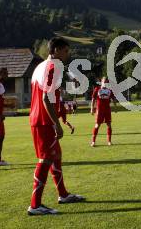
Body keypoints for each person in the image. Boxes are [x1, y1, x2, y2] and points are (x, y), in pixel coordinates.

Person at [28, 37, 85, 216]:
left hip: (39, 118)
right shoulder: (54, 67)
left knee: (56, 157)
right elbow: (46, 98)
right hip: (44, 121)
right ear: (57, 50)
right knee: (45, 160)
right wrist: (56, 124)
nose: (68, 55)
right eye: (66, 51)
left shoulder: (41, 66)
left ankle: (63, 195)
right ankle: (35, 205)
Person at [90, 77, 117, 147]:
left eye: (106, 82)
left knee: (109, 125)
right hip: (99, 110)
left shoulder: (110, 90)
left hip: (107, 110)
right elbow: (93, 99)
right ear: (101, 82)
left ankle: (109, 141)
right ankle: (93, 141)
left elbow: (113, 98)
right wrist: (92, 108)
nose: (105, 83)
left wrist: (115, 107)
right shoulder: (97, 89)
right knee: (97, 125)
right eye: (104, 82)